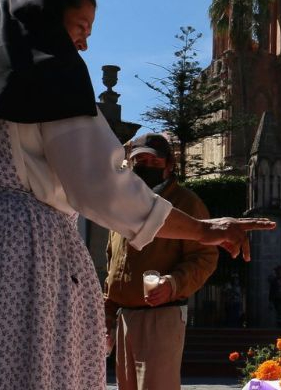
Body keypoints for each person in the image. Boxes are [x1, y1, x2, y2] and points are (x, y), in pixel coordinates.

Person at [0, 0, 274, 390]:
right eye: (80, 27)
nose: (85, 43)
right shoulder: (47, 73)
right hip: (10, 258)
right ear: (47, 21)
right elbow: (102, 186)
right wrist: (204, 230)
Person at [105, 132, 217, 390]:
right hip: (124, 319)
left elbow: (205, 257)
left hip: (161, 318)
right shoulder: (123, 205)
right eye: (140, 161)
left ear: (169, 166)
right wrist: (108, 313)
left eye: (154, 163)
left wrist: (174, 283)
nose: (147, 167)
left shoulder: (186, 203)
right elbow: (113, 262)